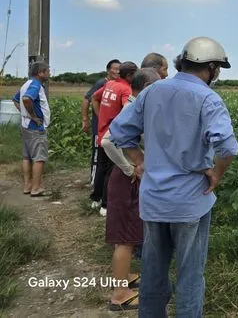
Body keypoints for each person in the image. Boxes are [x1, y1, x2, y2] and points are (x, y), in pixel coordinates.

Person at [109, 37, 238, 317]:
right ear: (212, 67)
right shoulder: (208, 98)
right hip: (190, 202)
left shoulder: (152, 92)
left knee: (153, 272)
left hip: (154, 200)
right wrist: (216, 174)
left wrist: (140, 160)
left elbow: (119, 131)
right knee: (190, 276)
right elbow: (227, 147)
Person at [101, 68, 161, 311]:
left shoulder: (137, 105)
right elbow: (108, 140)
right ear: (146, 85)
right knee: (125, 239)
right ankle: (120, 295)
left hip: (129, 179)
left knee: (129, 233)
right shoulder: (133, 107)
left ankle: (124, 279)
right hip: (126, 180)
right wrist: (132, 167)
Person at [90, 61, 138, 216]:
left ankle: (95, 199)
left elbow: (94, 98)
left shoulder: (110, 84)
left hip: (102, 131)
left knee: (101, 169)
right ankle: (105, 205)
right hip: (113, 137)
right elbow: (128, 112)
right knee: (112, 172)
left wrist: (101, 117)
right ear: (130, 75)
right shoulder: (126, 89)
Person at [12, 62, 51, 197]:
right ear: (40, 73)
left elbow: (15, 99)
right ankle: (36, 188)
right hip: (34, 127)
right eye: (47, 71)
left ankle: (27, 185)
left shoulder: (26, 84)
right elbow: (26, 99)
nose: (49, 73)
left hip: (25, 124)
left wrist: (24, 113)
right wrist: (33, 116)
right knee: (39, 158)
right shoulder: (35, 85)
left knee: (27, 156)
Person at [81, 59, 121, 187]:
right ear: (108, 70)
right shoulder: (102, 83)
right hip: (99, 126)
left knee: (106, 158)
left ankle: (103, 184)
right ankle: (94, 183)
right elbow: (87, 100)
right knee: (98, 155)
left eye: (119, 69)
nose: (117, 71)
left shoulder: (115, 85)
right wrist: (85, 119)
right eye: (115, 68)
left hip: (109, 129)